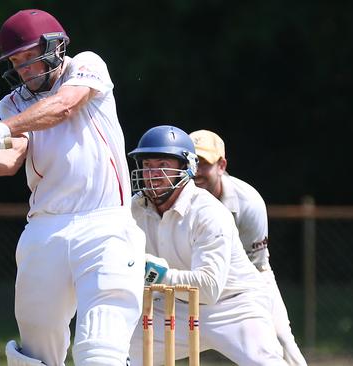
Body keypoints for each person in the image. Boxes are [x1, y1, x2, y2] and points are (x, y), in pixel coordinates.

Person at [0, 9, 146, 366]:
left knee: (100, 352)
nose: (24, 68)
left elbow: (63, 106)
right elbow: (11, 157)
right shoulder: (12, 104)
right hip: (45, 230)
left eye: (30, 57)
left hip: (105, 225)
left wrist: (3, 129)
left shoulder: (86, 66)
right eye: (16, 61)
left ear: (56, 46)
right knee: (36, 355)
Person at [127, 125, 287, 365]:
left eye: (162, 165)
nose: (153, 174)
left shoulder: (208, 212)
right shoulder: (135, 208)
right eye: (147, 166)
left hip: (234, 306)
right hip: (175, 306)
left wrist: (158, 276)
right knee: (111, 348)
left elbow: (209, 288)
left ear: (186, 167)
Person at [189, 129, 308, 365]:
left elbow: (256, 266)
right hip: (190, 277)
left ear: (221, 165)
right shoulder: (171, 194)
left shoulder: (248, 203)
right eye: (191, 163)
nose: (196, 172)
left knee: (282, 340)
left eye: (204, 164)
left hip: (245, 276)